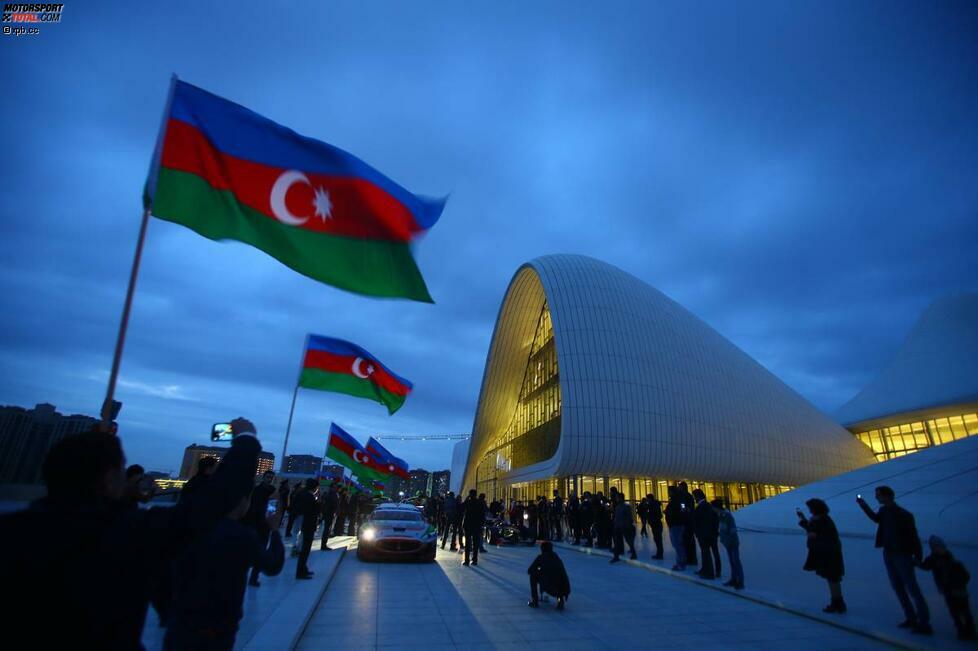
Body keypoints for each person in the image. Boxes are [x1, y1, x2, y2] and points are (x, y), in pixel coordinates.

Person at [0, 418, 262, 649]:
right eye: (121, 472)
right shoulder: (128, 531)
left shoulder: (12, 532)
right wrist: (246, 439)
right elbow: (216, 501)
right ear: (108, 479)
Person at [164, 493, 285, 650]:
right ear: (243, 501)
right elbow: (273, 565)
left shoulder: (190, 528)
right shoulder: (241, 536)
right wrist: (274, 530)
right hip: (217, 626)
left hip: (180, 624)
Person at [857, 486, 931, 634]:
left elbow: (913, 536)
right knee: (898, 587)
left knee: (911, 587)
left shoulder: (904, 515)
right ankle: (910, 617)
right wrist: (863, 506)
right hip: (889, 552)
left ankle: (923, 622)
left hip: (902, 554)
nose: (877, 498)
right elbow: (876, 519)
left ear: (887, 496)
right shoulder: (884, 511)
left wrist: (918, 556)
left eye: (878, 495)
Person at [918, 535, 975, 640]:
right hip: (951, 590)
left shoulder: (949, 561)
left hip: (955, 589)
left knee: (962, 611)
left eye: (939, 547)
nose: (939, 549)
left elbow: (965, 576)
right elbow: (925, 566)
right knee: (957, 612)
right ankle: (963, 631)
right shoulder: (939, 559)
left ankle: (968, 631)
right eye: (936, 547)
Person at [798, 498, 846, 614]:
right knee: (832, 578)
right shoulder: (823, 519)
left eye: (810, 508)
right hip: (829, 551)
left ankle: (837, 603)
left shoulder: (822, 520)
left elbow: (814, 533)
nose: (809, 511)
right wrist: (804, 520)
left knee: (832, 577)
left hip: (828, 552)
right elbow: (814, 530)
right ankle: (837, 602)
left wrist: (807, 525)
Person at [244, 469, 276, 587]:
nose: (269, 479)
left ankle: (254, 577)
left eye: (271, 477)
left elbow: (272, 508)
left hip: (264, 524)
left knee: (261, 550)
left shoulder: (272, 491)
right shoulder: (256, 490)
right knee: (251, 549)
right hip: (254, 522)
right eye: (267, 477)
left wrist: (272, 523)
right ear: (263, 477)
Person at [527, 541, 571, 610]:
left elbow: (530, 570)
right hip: (564, 589)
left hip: (550, 587)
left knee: (533, 576)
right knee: (558, 577)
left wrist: (539, 570)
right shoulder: (557, 557)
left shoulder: (541, 557)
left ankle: (535, 600)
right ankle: (560, 600)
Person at [712, 498, 744, 589]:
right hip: (727, 542)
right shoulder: (721, 516)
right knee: (732, 561)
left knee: (736, 561)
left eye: (713, 508)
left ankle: (740, 581)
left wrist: (729, 540)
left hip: (732, 542)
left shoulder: (727, 516)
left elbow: (732, 530)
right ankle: (734, 579)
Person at [293, 478, 320, 578]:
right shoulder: (309, 496)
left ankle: (303, 568)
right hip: (308, 524)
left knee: (305, 548)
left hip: (306, 523)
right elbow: (313, 510)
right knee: (305, 548)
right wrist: (318, 504)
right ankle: (300, 571)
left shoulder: (303, 494)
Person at [692, 489, 720, 579]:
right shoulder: (709, 506)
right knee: (712, 552)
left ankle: (709, 572)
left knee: (706, 552)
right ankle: (711, 570)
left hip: (704, 534)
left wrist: (698, 532)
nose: (694, 499)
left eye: (694, 497)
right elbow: (715, 520)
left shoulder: (701, 507)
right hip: (711, 533)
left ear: (698, 497)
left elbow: (698, 520)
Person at [665, 486, 687, 571]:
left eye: (669, 491)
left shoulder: (678, 500)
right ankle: (681, 561)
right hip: (674, 524)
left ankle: (681, 563)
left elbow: (683, 510)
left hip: (677, 524)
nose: (668, 493)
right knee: (677, 544)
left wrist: (674, 516)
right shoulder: (676, 500)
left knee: (678, 544)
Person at [461, 489, 486, 566]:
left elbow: (462, 507)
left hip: (468, 525)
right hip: (477, 525)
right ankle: (474, 560)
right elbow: (483, 514)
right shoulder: (480, 502)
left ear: (470, 494)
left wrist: (466, 498)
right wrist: (481, 524)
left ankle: (467, 560)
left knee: (468, 544)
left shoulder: (468, 502)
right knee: (476, 544)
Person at [610, 493, 638, 563]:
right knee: (617, 541)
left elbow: (629, 517)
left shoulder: (625, 507)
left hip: (625, 526)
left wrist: (627, 524)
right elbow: (617, 517)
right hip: (619, 526)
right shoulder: (619, 506)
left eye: (617, 498)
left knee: (628, 541)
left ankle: (633, 553)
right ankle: (616, 556)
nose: (617, 499)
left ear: (621, 498)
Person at [678, 482, 698, 565]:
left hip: (688, 522)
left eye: (680, 487)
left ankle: (691, 558)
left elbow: (686, 508)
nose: (679, 489)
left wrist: (684, 510)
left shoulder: (686, 497)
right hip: (687, 521)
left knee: (688, 540)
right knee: (688, 540)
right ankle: (690, 558)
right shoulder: (686, 496)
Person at [319, 481, 339, 551]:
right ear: (331, 487)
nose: (336, 488)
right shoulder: (331, 494)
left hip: (329, 513)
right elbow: (331, 505)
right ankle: (323, 545)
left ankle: (324, 544)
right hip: (329, 513)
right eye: (335, 487)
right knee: (326, 529)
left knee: (327, 529)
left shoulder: (332, 494)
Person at [647, 493, 664, 560]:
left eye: (648, 499)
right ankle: (659, 553)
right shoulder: (653, 505)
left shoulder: (654, 505)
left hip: (656, 524)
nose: (647, 500)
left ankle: (660, 554)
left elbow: (657, 515)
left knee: (658, 539)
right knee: (657, 539)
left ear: (650, 499)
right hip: (655, 524)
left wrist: (652, 520)